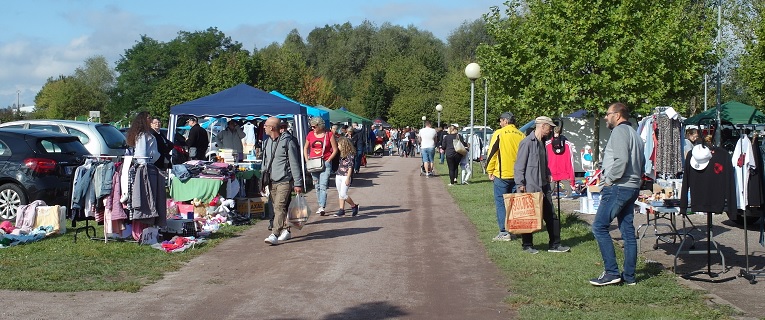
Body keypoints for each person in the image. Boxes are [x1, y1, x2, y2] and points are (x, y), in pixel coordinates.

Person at [590, 102, 645, 286]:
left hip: (619, 186)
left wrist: (609, 179)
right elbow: (641, 162)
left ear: (618, 115)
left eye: (608, 114)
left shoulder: (620, 132)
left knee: (599, 226)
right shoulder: (635, 134)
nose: (606, 117)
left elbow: (621, 160)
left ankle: (612, 272)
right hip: (632, 186)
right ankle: (629, 277)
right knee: (627, 231)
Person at [514, 116, 570, 254]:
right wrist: (520, 184)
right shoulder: (527, 142)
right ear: (542, 126)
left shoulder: (542, 142)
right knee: (528, 216)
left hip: (543, 185)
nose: (551, 129)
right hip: (530, 185)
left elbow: (543, 162)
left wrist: (548, 172)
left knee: (551, 215)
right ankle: (527, 245)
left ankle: (555, 244)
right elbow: (519, 165)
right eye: (549, 126)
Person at [262, 117, 304, 245]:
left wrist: (298, 183)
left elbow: (294, 163)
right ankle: (287, 230)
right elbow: (265, 162)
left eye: (265, 125)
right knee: (278, 207)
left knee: (279, 206)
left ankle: (275, 233)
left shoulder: (288, 142)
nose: (263, 127)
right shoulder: (267, 142)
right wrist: (263, 182)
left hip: (285, 180)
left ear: (272, 127)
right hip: (272, 181)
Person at [486, 112, 525, 241]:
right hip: (518, 175)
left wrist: (489, 170)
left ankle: (504, 232)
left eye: (501, 121)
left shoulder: (499, 133)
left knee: (501, 203)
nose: (500, 123)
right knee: (514, 204)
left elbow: (492, 153)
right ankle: (514, 229)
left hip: (502, 174)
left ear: (505, 121)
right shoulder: (521, 135)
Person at [304, 117, 338, 216]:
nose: (312, 128)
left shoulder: (329, 134)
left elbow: (335, 149)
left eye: (314, 126)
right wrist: (307, 160)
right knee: (316, 185)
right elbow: (305, 148)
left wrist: (328, 160)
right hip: (313, 163)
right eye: (312, 126)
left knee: (323, 186)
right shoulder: (310, 134)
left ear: (320, 126)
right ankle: (320, 204)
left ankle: (322, 206)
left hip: (325, 162)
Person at [333, 136, 360, 217]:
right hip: (339, 174)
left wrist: (348, 178)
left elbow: (350, 167)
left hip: (345, 175)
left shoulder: (350, 154)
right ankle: (341, 209)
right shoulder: (340, 154)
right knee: (340, 194)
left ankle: (354, 206)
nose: (338, 147)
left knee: (343, 194)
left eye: (339, 145)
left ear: (343, 145)